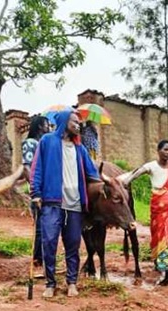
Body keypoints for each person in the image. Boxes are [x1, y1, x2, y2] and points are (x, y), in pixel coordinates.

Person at [31, 108, 100, 299]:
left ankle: (71, 282)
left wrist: (109, 181)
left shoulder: (80, 149)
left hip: (75, 205)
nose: (78, 125)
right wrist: (36, 193)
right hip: (51, 203)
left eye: (79, 123)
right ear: (63, 122)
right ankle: (50, 283)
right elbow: (37, 169)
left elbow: (92, 173)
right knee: (49, 243)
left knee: (73, 245)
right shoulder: (47, 141)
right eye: (74, 122)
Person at [124, 140, 168, 285]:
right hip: (158, 210)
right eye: (165, 150)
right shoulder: (151, 166)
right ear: (158, 151)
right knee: (160, 238)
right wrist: (126, 182)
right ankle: (165, 270)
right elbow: (136, 173)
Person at [22, 115, 50, 268]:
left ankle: (44, 257)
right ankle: (38, 258)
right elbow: (27, 167)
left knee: (47, 225)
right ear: (40, 126)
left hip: (47, 190)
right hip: (38, 191)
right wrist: (35, 190)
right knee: (40, 226)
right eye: (47, 125)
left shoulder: (43, 144)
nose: (49, 127)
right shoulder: (30, 143)